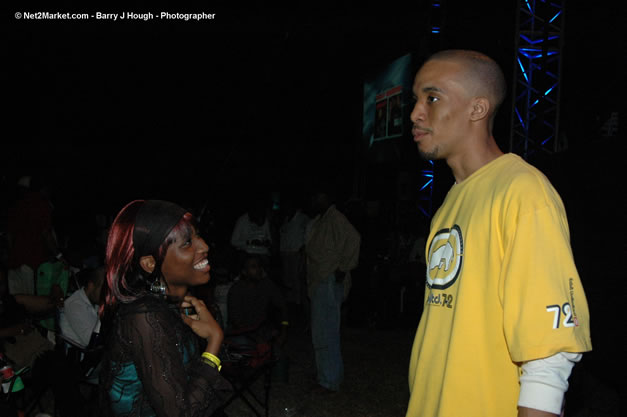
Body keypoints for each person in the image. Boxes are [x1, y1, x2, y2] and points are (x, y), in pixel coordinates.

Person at [406, 50, 592, 417]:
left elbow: (549, 354)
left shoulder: (522, 191)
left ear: (477, 109)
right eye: (416, 99)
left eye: (432, 97)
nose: (415, 113)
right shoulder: (450, 204)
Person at [99, 200, 232, 417]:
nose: (204, 246)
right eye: (187, 243)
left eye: (197, 235)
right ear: (150, 263)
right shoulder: (145, 317)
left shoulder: (178, 301)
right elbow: (179, 413)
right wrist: (214, 340)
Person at [305, 187, 360, 393]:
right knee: (321, 331)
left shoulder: (336, 218)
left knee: (326, 331)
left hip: (328, 280)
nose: (313, 201)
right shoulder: (323, 219)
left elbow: (354, 240)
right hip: (320, 280)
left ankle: (329, 380)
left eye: (316, 197)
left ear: (325, 197)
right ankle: (326, 375)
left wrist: (343, 268)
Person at [227, 254, 288, 342]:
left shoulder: (266, 285)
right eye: (253, 267)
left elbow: (282, 306)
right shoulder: (236, 290)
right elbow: (237, 322)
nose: (258, 270)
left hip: (260, 331)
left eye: (259, 266)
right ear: (244, 271)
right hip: (241, 334)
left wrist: (283, 331)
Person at [59, 266, 105, 349]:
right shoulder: (74, 305)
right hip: (81, 357)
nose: (105, 295)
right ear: (91, 286)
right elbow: (91, 342)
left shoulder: (94, 303)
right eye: (103, 290)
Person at [279, 195, 309, 307]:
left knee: (297, 279)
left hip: (297, 253)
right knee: (287, 280)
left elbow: (308, 234)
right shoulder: (286, 220)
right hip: (286, 254)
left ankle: (298, 303)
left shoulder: (303, 219)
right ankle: (290, 302)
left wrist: (303, 249)